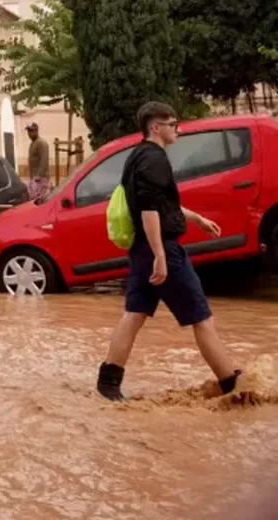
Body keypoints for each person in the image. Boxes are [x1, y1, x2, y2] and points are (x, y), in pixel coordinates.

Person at [96, 101, 243, 401]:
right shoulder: (155, 159)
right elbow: (149, 210)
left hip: (141, 249)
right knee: (202, 318)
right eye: (173, 123)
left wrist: (196, 218)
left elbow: (159, 203)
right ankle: (233, 386)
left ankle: (108, 383)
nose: (178, 129)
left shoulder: (135, 156)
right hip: (160, 248)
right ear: (156, 127)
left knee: (134, 314)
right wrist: (161, 256)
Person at [25, 122, 50, 200]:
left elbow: (44, 160)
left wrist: (39, 176)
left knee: (39, 199)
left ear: (36, 131)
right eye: (28, 131)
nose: (29, 133)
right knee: (33, 198)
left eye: (31, 131)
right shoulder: (33, 143)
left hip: (40, 178)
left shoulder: (41, 143)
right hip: (34, 177)